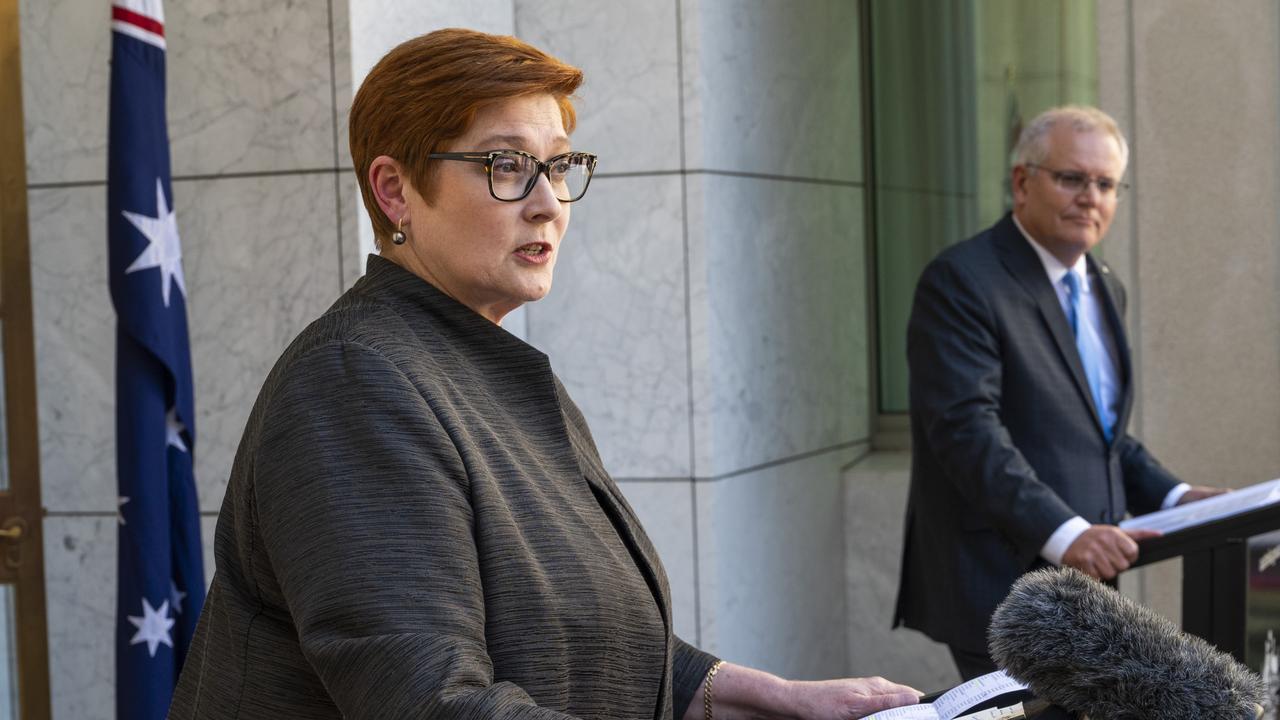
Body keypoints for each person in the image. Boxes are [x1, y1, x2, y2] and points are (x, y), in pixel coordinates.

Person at [169, 28, 920, 720]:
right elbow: (432, 700)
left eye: (559, 165)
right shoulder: (353, 382)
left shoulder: (474, 359)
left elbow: (587, 629)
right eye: (506, 165)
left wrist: (767, 696)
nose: (549, 204)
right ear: (395, 191)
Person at [892, 105, 1227, 681]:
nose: (1090, 197)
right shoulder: (962, 281)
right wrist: (1066, 533)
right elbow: (966, 430)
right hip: (997, 580)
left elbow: (1100, 433)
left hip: (1086, 584)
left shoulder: (1104, 284)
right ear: (1022, 182)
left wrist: (1176, 498)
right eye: (1071, 178)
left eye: (1105, 184)